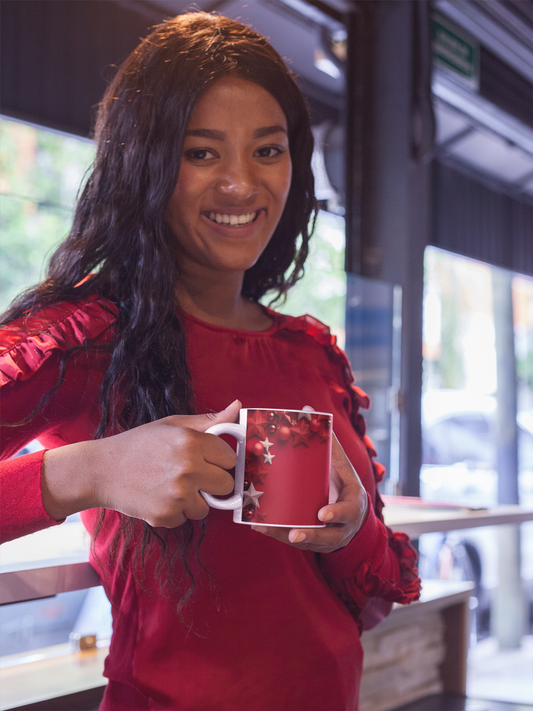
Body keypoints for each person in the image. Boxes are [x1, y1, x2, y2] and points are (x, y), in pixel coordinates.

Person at [0, 12, 420, 710]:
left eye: (266, 150)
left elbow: (374, 595)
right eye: (200, 153)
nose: (239, 184)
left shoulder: (311, 352)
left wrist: (350, 532)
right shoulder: (91, 337)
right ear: (146, 165)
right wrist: (88, 471)